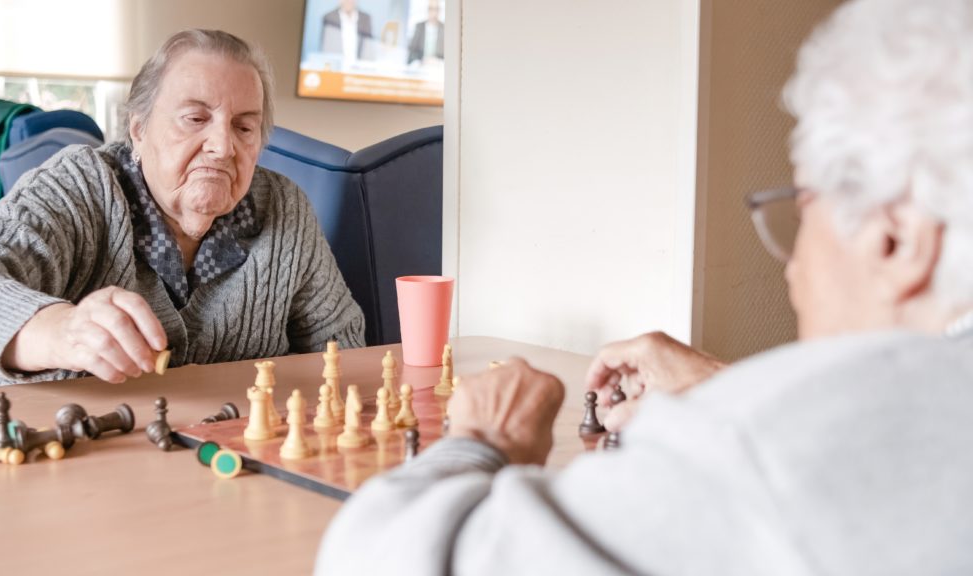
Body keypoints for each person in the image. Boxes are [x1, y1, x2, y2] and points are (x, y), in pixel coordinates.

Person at [316, 0, 973, 573]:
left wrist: (481, 443)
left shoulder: (790, 450)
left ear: (898, 241)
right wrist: (724, 391)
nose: (793, 265)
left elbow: (369, 559)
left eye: (804, 209)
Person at [0, 30, 365, 390]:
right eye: (195, 118)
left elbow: (343, 349)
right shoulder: (80, 184)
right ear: (139, 129)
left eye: (244, 127)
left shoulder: (284, 207)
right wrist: (58, 329)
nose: (223, 146)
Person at [321, 0, 373, 65]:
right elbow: (326, 50)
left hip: (359, 69)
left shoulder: (365, 19)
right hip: (336, 69)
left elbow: (368, 51)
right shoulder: (329, 18)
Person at [407, 0, 444, 64]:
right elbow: (411, 51)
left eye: (436, 9)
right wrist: (421, 60)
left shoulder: (444, 28)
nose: (434, 12)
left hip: (438, 66)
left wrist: (437, 61)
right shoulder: (419, 27)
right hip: (421, 64)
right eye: (431, 9)